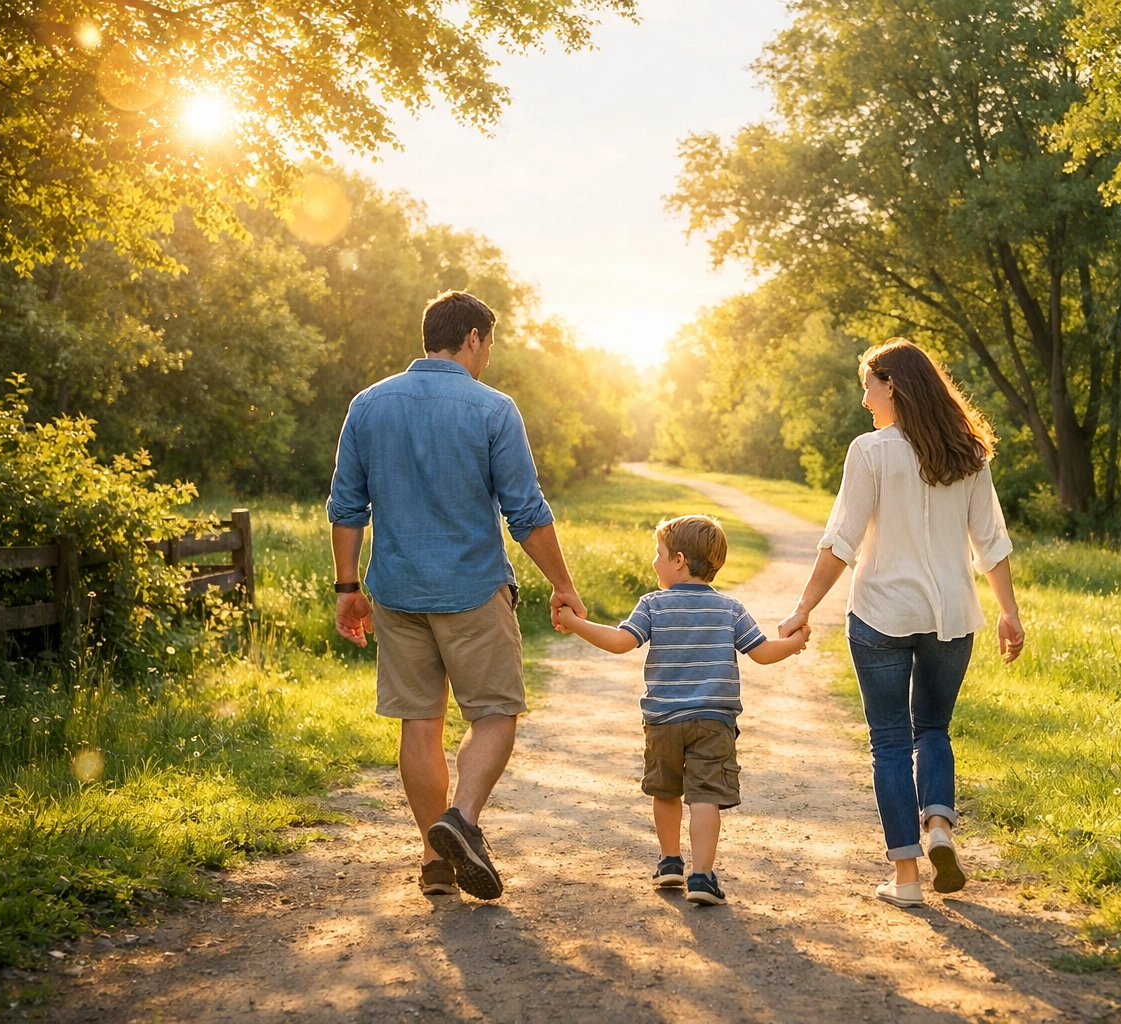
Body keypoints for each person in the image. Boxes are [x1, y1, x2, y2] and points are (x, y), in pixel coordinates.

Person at [326, 290, 585, 901]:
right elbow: (525, 511)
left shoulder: (368, 404)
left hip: (395, 591)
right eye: (489, 343)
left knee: (420, 720)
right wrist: (563, 585)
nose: (489, 355)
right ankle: (461, 820)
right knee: (494, 713)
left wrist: (346, 588)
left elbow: (345, 506)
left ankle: (434, 861)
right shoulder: (493, 409)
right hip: (471, 589)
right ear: (472, 337)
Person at [777, 339, 1025, 908]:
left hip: (881, 615)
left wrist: (803, 608)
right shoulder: (969, 453)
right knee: (932, 730)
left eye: (869, 385)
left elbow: (841, 541)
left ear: (893, 384)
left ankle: (907, 880)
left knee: (890, 743)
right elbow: (991, 542)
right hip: (951, 619)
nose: (865, 399)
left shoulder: (870, 452)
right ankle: (938, 823)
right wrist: (1009, 613)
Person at [555, 514, 810, 906]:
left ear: (678, 559)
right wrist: (794, 643)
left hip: (663, 722)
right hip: (714, 722)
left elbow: (622, 642)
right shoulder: (730, 608)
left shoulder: (652, 605)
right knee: (705, 796)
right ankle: (703, 877)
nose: (654, 561)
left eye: (658, 554)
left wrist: (575, 624)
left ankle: (670, 861)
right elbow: (761, 653)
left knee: (666, 790)